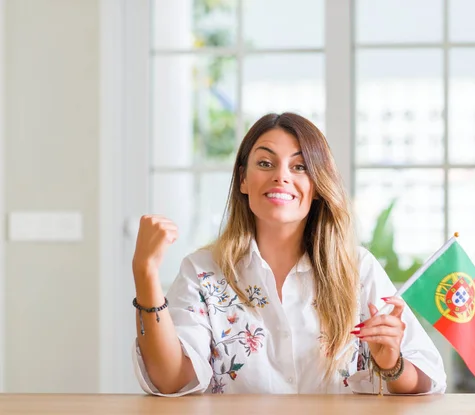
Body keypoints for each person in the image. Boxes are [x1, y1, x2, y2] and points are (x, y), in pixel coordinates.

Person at [131, 112, 446, 396]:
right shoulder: (202, 270)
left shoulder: (357, 268)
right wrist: (145, 272)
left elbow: (427, 383)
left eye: (300, 167)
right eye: (265, 163)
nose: (281, 176)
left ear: (318, 185)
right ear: (243, 178)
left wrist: (391, 363)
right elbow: (171, 380)